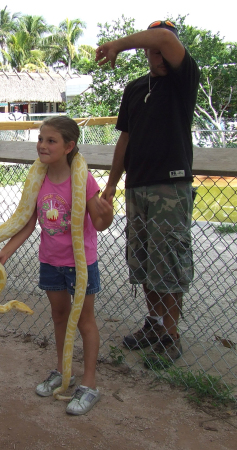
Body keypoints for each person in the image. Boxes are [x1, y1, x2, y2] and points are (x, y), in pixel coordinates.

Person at [96, 20, 200, 368]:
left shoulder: (182, 80)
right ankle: (154, 326)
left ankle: (171, 335)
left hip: (170, 186)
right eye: (151, 49)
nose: (157, 53)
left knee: (168, 260)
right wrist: (111, 183)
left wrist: (116, 44)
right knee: (142, 261)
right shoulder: (136, 88)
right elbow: (124, 139)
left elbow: (163, 37)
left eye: (162, 47)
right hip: (136, 187)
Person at [0, 116, 113, 414]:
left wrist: (108, 213)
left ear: (69, 146)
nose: (42, 145)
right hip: (50, 260)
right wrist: (6, 251)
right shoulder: (39, 177)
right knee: (59, 317)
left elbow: (99, 223)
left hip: (81, 263)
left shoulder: (81, 178)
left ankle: (89, 383)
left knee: (84, 321)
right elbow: (28, 222)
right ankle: (63, 371)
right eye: (40, 139)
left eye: (51, 141)